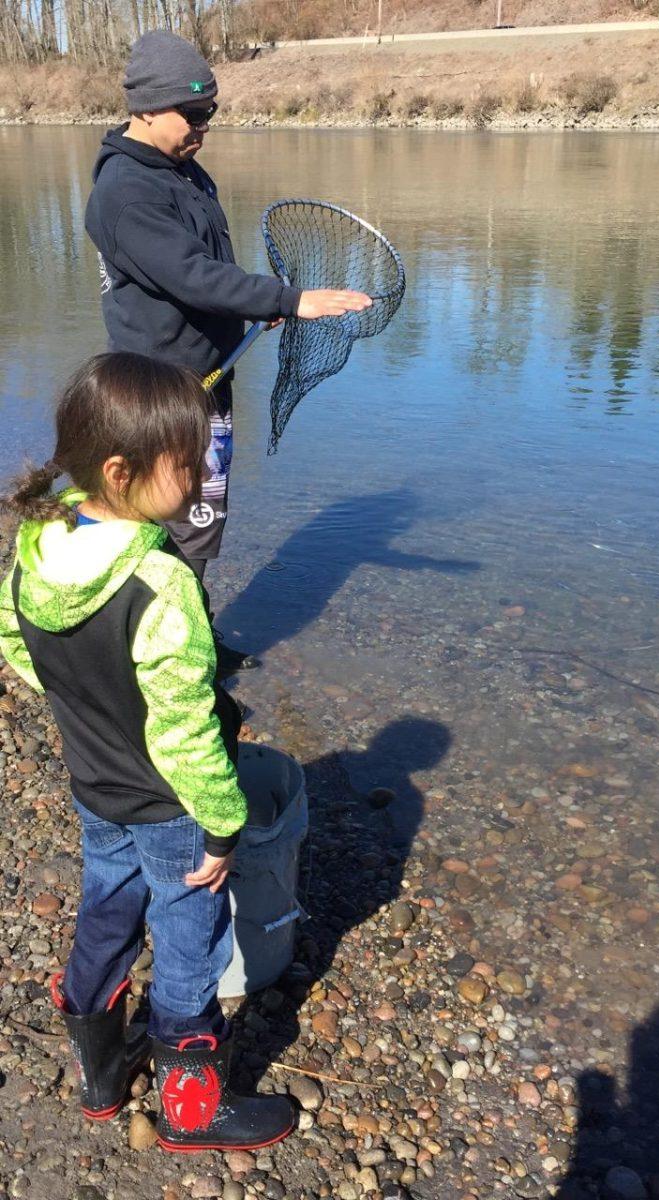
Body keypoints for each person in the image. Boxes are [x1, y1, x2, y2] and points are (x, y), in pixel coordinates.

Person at [0, 352, 294, 1153]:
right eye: (188, 463)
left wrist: (84, 706)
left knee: (106, 909)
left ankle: (101, 1076)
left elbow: (16, 643)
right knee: (189, 929)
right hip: (170, 805)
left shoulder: (39, 540)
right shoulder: (161, 584)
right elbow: (186, 729)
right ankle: (192, 1107)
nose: (203, 475)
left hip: (95, 786)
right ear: (123, 470)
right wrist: (224, 824)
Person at [85, 29, 371, 669]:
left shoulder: (185, 171)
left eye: (211, 112)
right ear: (149, 108)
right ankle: (163, 657)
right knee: (174, 520)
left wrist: (249, 309)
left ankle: (187, 637)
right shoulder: (126, 193)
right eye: (195, 114)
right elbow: (187, 274)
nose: (204, 126)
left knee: (200, 521)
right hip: (162, 392)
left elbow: (213, 268)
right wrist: (285, 299)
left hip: (209, 377)